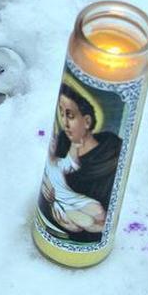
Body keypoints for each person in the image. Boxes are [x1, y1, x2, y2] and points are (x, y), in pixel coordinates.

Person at [39, 78, 122, 243]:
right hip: (63, 214)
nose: (64, 122)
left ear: (87, 121)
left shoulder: (111, 151)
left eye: (70, 115)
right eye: (61, 115)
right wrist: (51, 203)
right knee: (81, 221)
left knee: (97, 212)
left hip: (84, 215)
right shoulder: (61, 144)